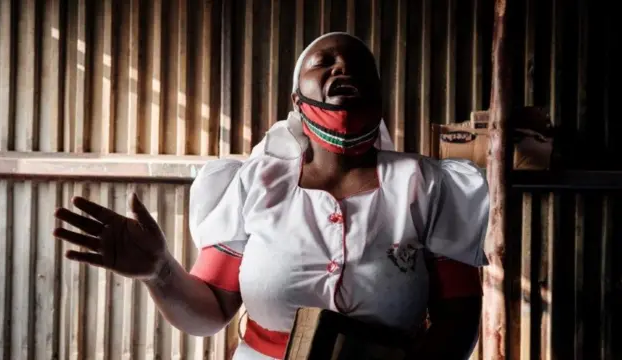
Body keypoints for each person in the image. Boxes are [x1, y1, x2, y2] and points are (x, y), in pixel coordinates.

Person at [53, 32, 489, 359]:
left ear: (378, 92)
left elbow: (459, 320)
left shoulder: (428, 185)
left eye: (358, 65)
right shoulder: (255, 184)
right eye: (325, 62)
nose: (342, 68)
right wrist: (161, 273)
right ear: (296, 99)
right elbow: (210, 313)